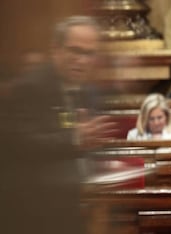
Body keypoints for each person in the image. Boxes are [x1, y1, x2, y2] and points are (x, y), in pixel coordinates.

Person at [0, 16, 116, 234]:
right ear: (56, 49)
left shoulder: (85, 90)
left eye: (89, 54)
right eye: (75, 51)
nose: (81, 60)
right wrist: (74, 138)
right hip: (35, 212)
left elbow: (84, 143)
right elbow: (20, 144)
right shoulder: (31, 87)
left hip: (75, 205)